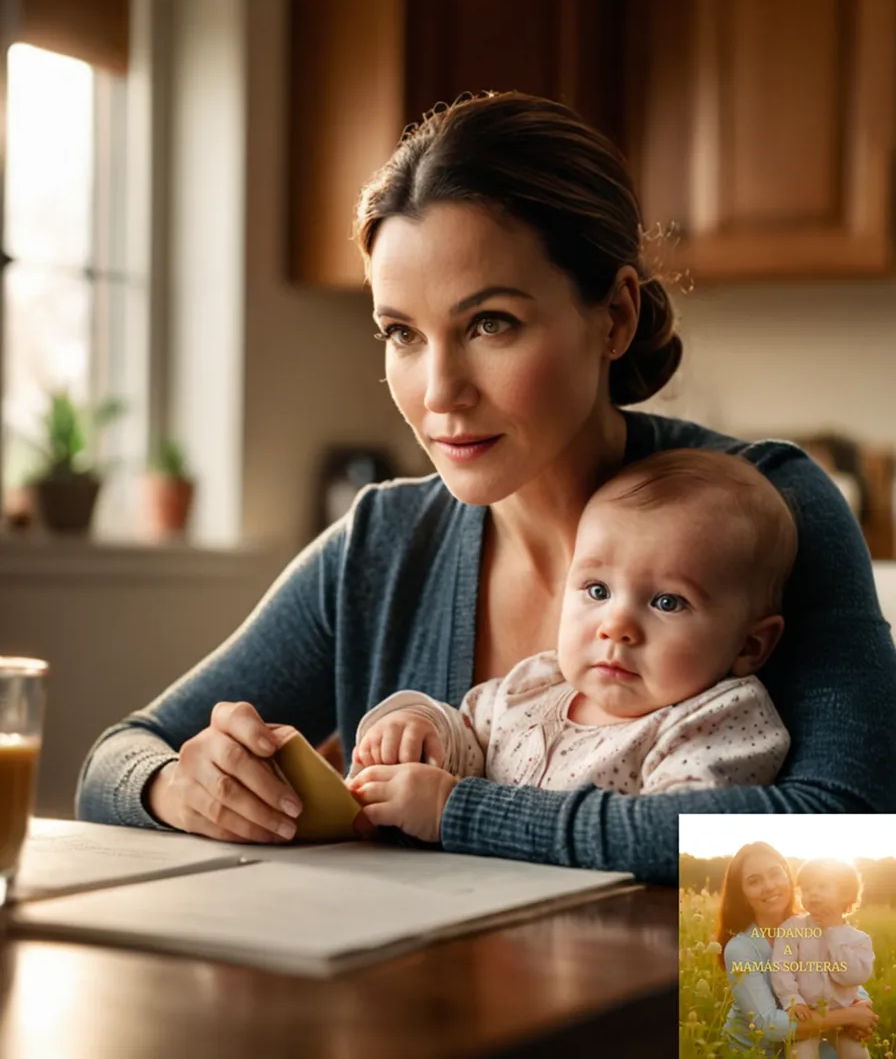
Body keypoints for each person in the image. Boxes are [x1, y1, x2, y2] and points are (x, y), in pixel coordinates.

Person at [74, 91, 896, 884]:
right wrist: (176, 785)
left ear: (612, 316)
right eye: (401, 333)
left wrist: (466, 812)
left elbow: (841, 830)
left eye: (489, 324)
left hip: (695, 1016)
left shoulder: (770, 504)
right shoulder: (379, 549)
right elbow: (116, 757)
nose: (439, 392)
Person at [346, 448, 795, 841]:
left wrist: (453, 807)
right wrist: (421, 729)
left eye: (666, 601)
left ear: (749, 646)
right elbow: (468, 742)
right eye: (597, 590)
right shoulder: (535, 683)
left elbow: (669, 836)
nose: (616, 626)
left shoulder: (720, 719)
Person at [716, 843, 878, 1056]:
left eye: (775, 874)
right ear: (743, 894)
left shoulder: (816, 924)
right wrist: (849, 1016)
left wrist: (861, 1004)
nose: (769, 886)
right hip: (756, 1050)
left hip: (810, 1035)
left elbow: (842, 976)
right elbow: (768, 1024)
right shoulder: (740, 948)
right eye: (754, 881)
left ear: (788, 877)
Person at [770, 857, 874, 1059]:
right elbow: (782, 968)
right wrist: (793, 1001)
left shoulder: (859, 939)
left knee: (857, 1054)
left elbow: (853, 977)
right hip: (807, 1015)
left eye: (823, 886)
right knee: (801, 1054)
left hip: (844, 1018)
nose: (813, 893)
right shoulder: (792, 929)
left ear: (845, 894)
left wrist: (832, 933)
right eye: (807, 889)